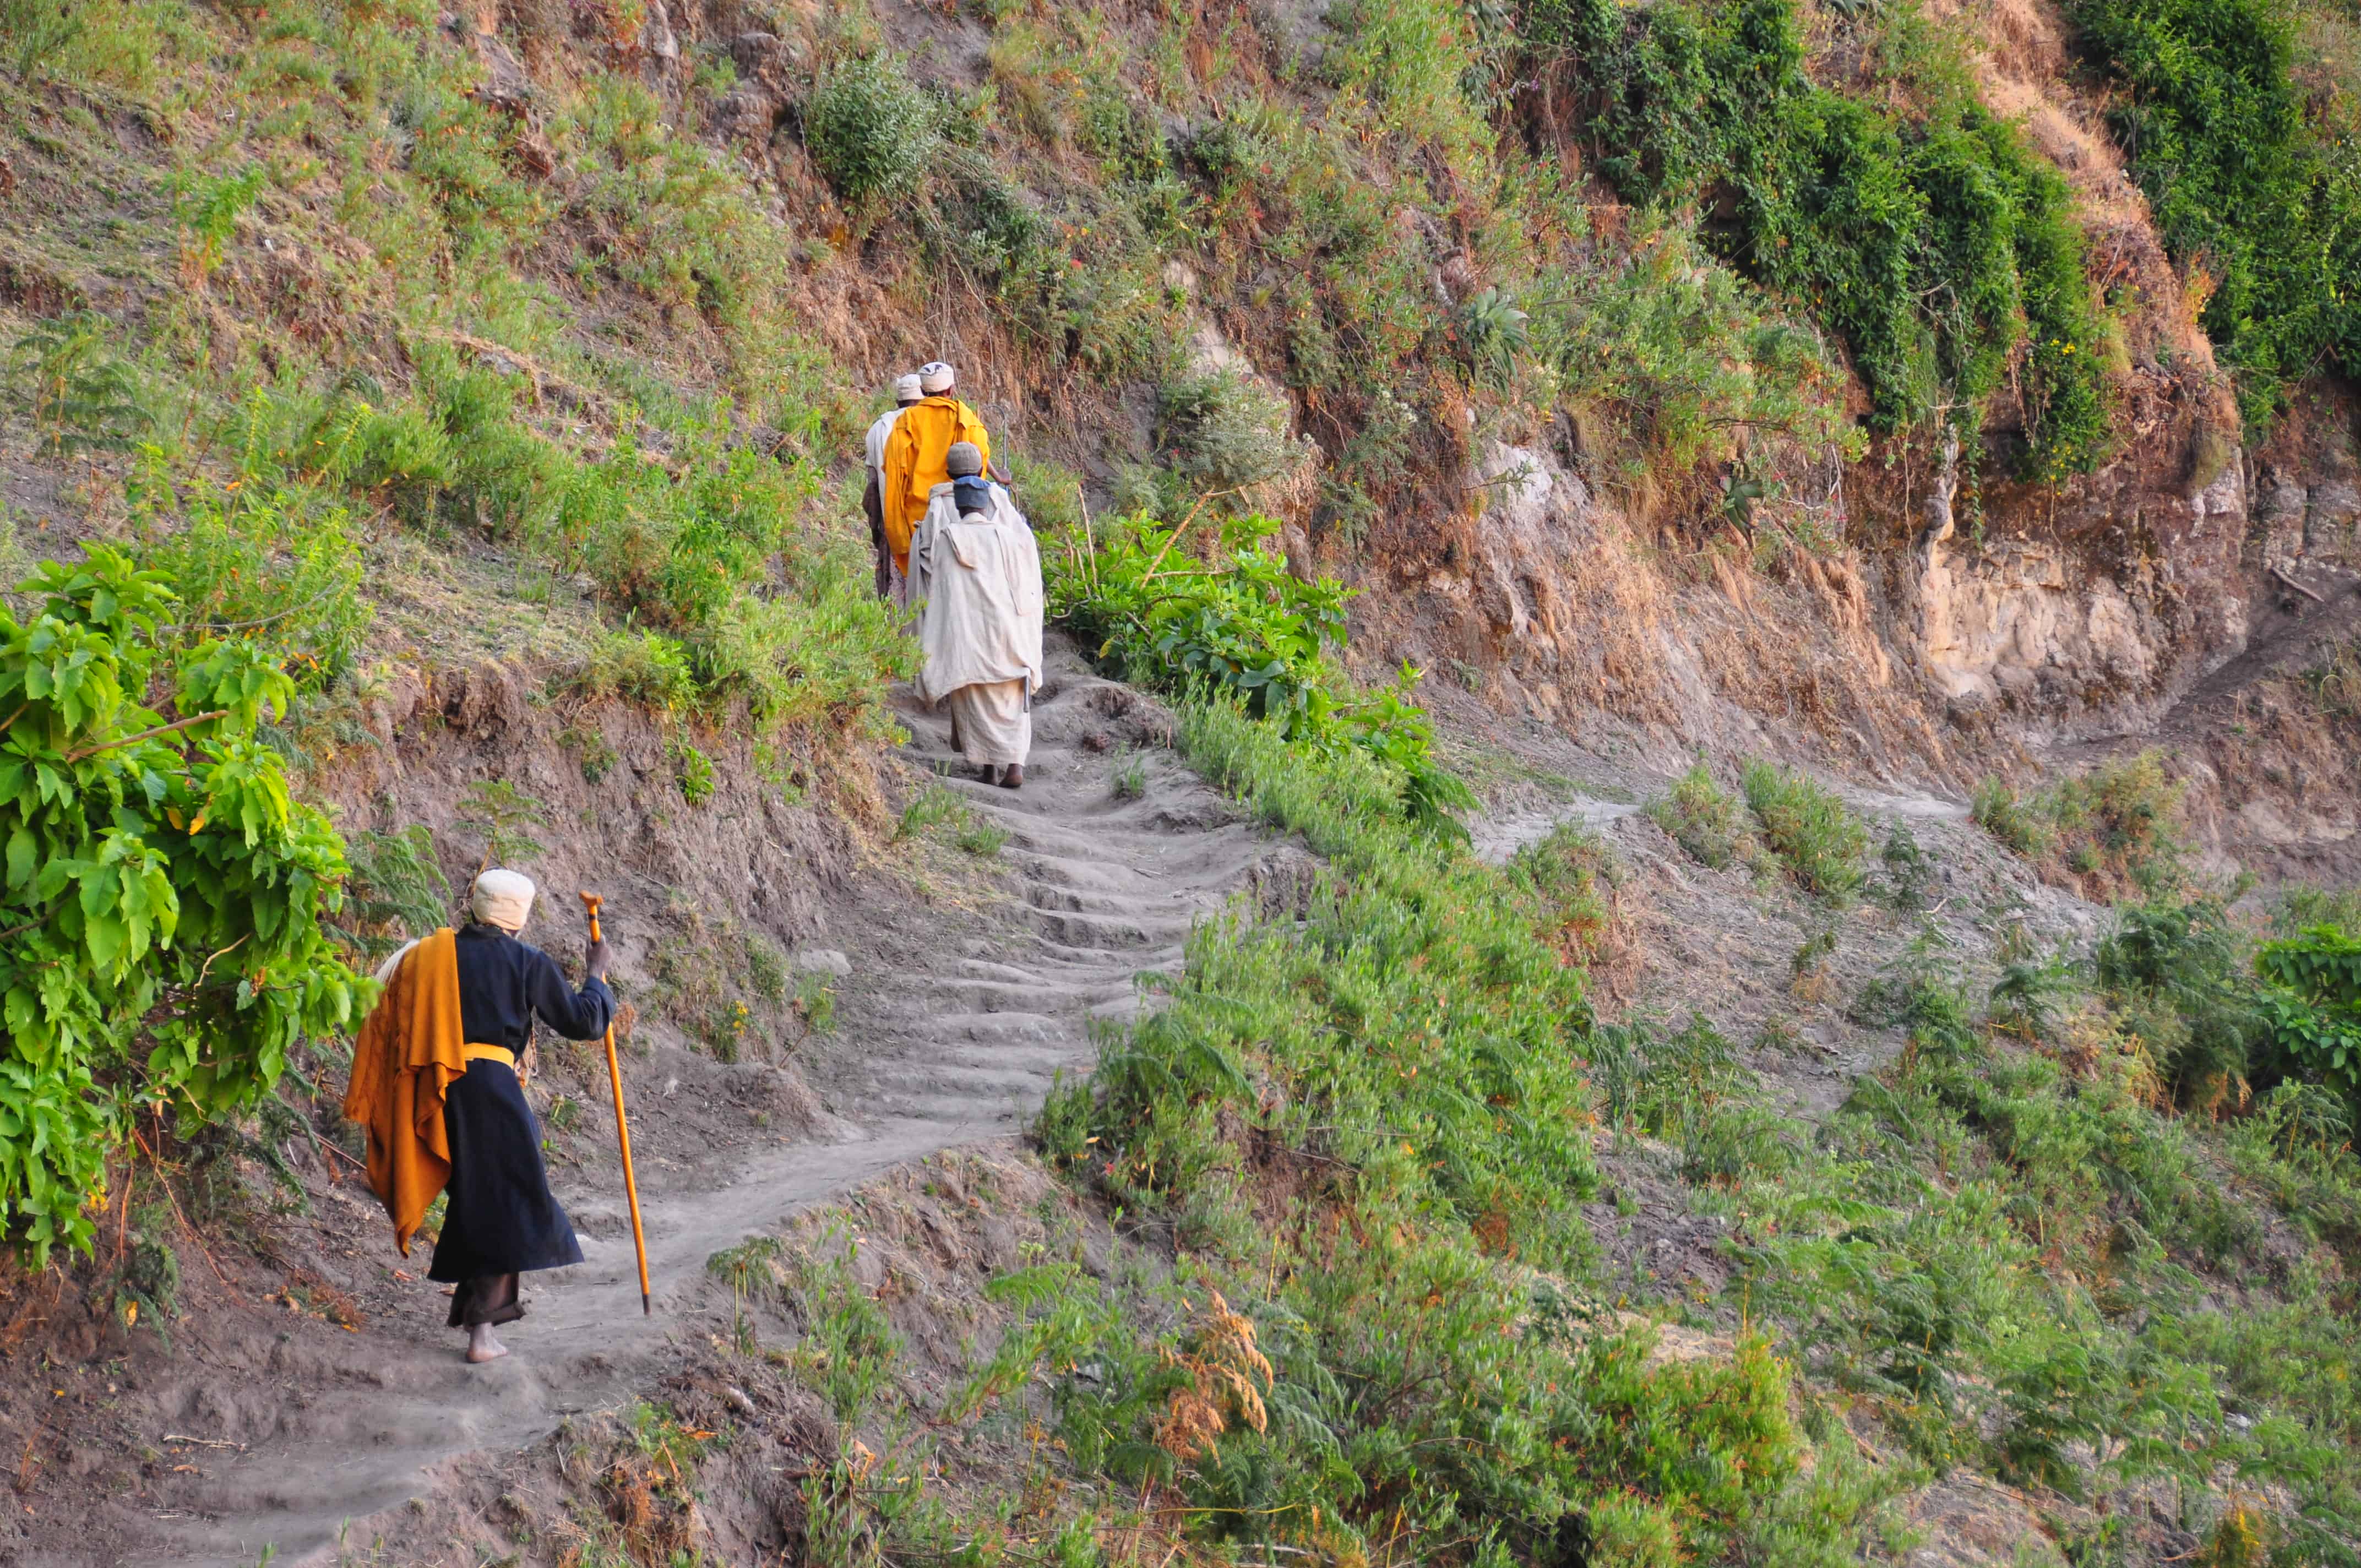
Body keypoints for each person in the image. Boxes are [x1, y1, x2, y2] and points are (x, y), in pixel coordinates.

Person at [343, 868, 614, 1364]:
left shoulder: (432, 955)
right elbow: (584, 1021)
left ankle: (476, 1322)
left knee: (477, 1200)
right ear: (520, 917)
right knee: (505, 1203)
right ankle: (482, 1337)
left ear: (476, 905)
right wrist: (597, 975)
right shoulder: (525, 960)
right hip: (492, 1092)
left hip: (442, 1089)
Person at [911, 441, 1043, 788]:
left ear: (950, 477)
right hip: (1009, 636)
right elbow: (1027, 577)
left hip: (969, 637)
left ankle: (988, 769)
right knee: (1014, 700)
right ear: (984, 500)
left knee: (972, 697)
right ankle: (1016, 766)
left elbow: (937, 587)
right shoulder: (1013, 535)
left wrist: (933, 637)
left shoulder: (945, 534)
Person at [880, 361, 992, 607]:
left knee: (921, 605)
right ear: (951, 390)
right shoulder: (968, 422)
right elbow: (980, 467)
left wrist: (899, 536)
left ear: (923, 390)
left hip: (918, 528)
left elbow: (894, 480)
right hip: (961, 522)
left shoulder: (905, 423)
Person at [861, 373, 923, 598]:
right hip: (925, 522)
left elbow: (873, 486)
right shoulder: (927, 424)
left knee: (897, 595)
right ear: (924, 397)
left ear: (898, 402)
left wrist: (879, 528)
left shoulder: (878, 428)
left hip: (892, 525)